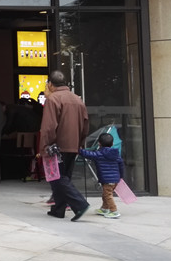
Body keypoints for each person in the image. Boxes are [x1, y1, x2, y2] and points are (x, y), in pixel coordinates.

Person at [40, 70, 90, 221]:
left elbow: (49, 127)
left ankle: (80, 204)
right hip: (73, 145)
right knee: (64, 176)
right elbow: (85, 125)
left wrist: (45, 146)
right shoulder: (77, 99)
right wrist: (80, 143)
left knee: (57, 177)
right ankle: (58, 209)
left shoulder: (53, 99)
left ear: (50, 84)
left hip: (57, 146)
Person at [80, 133, 124, 219]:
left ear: (99, 143)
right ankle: (104, 208)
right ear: (112, 143)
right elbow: (121, 166)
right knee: (105, 194)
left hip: (107, 180)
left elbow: (89, 154)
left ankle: (114, 211)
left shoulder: (100, 154)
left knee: (108, 195)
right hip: (115, 179)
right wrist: (120, 177)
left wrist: (80, 151)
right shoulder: (116, 155)